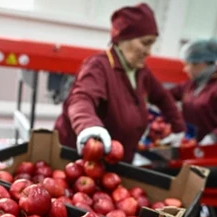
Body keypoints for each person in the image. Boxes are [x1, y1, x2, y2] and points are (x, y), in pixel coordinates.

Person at [54, 3, 186, 163]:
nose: (149, 51)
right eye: (145, 43)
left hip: (117, 160)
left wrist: (178, 128)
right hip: (82, 161)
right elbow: (81, 98)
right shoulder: (98, 66)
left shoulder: (140, 71)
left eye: (152, 44)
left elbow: (163, 98)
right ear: (123, 39)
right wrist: (89, 126)